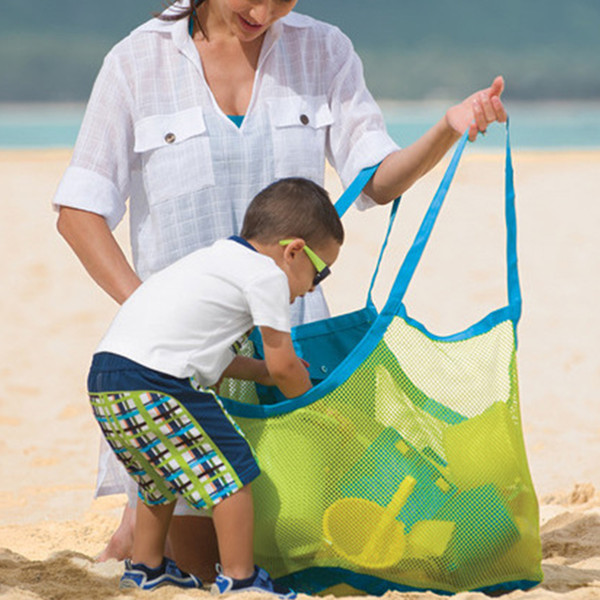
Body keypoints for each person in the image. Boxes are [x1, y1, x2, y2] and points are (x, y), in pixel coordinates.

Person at [53, 0, 507, 579]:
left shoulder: (325, 50)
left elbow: (377, 179)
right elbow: (79, 212)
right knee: (198, 562)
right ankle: (142, 525)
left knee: (302, 557)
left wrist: (448, 127)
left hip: (291, 359)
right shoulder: (135, 62)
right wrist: (155, 313)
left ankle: (144, 526)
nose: (266, 11)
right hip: (185, 376)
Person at [87, 177, 343, 592]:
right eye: (320, 272)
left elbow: (216, 361)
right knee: (233, 472)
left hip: (108, 379)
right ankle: (241, 578)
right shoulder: (268, 276)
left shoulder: (217, 259)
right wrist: (311, 403)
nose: (313, 287)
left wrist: (258, 370)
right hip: (157, 382)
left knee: (158, 476)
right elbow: (284, 367)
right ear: (294, 251)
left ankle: (147, 567)